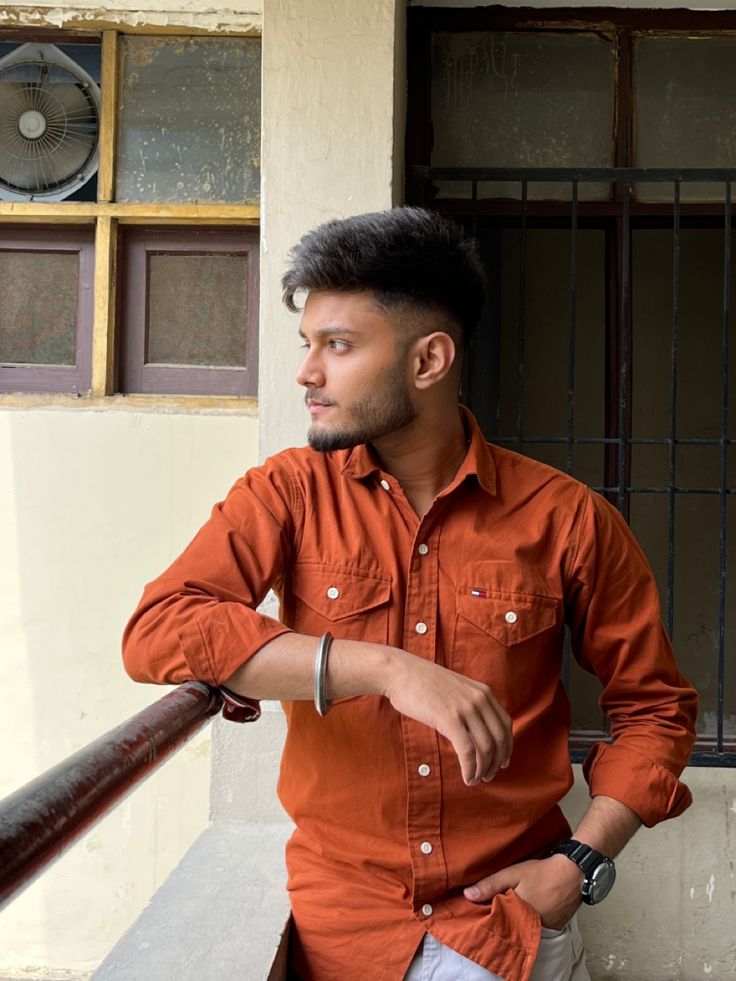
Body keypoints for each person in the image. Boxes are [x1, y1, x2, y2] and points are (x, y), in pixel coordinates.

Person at [123, 208, 698, 981]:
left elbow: (656, 708)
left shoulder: (567, 519)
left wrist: (580, 862)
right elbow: (159, 630)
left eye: (339, 345)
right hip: (346, 932)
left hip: (510, 928)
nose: (307, 372)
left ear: (429, 359)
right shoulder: (287, 493)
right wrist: (387, 668)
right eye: (308, 344)